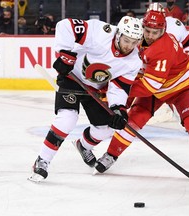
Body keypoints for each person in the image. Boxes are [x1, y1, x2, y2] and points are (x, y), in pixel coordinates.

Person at [92, 8, 189, 174]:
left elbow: (149, 87)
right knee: (132, 120)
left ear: (163, 30)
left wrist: (118, 89)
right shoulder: (136, 38)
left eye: (155, 32)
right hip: (154, 88)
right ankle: (111, 155)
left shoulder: (162, 48)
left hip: (180, 87)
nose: (150, 35)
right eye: (147, 31)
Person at [28, 15, 143, 182]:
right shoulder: (100, 32)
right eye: (127, 40)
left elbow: (118, 86)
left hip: (94, 89)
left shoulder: (134, 61)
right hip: (72, 77)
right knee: (67, 119)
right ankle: (42, 160)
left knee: (105, 129)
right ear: (118, 34)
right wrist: (65, 54)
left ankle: (83, 145)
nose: (129, 46)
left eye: (134, 42)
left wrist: (118, 108)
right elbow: (65, 25)